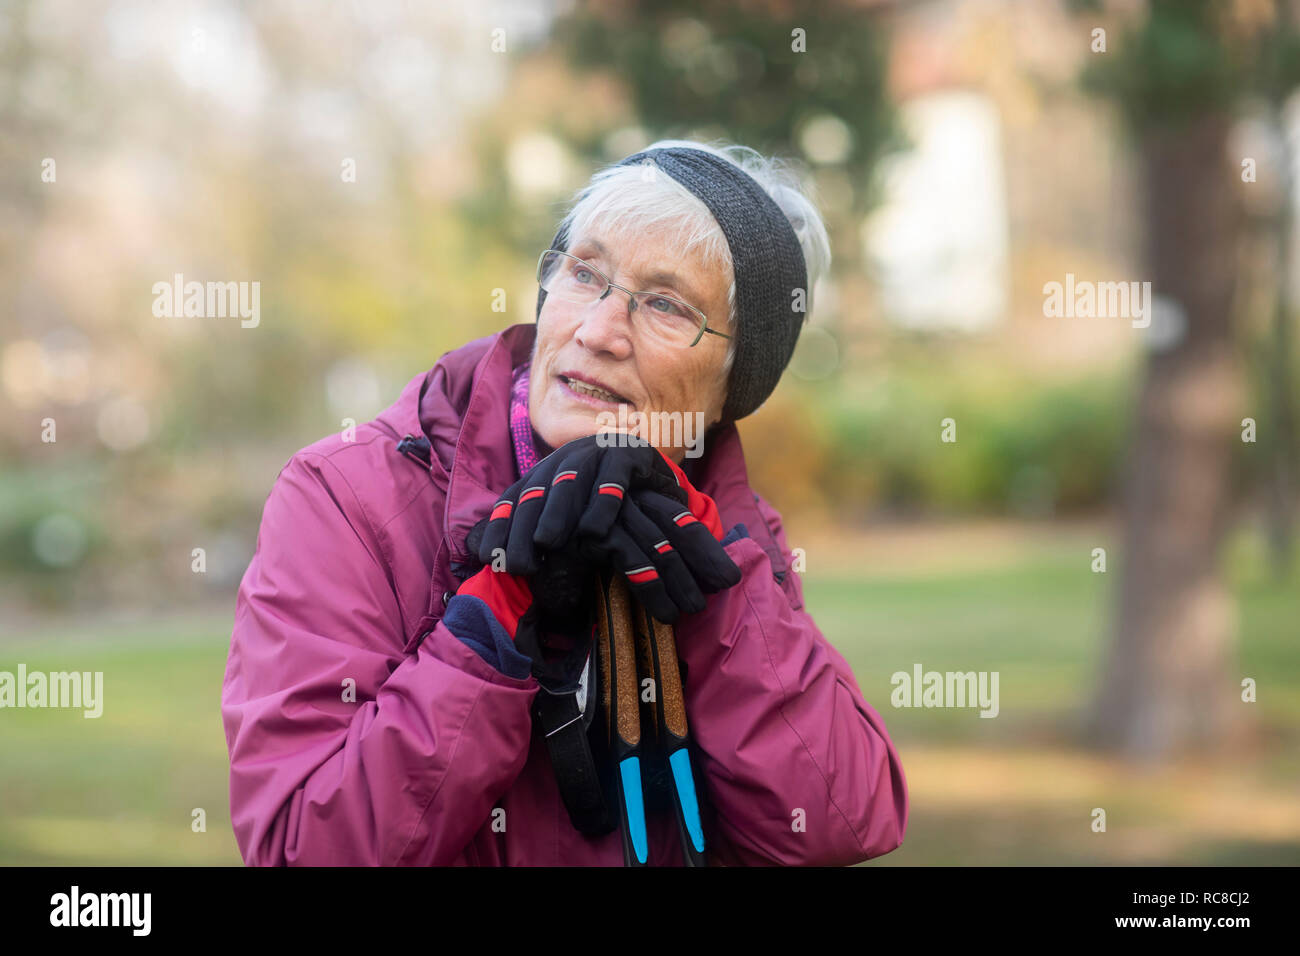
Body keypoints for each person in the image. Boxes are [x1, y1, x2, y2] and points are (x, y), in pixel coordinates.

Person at [221, 139, 909, 865]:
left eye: (667, 306)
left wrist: (708, 589)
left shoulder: (727, 527)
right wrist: (493, 609)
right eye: (585, 273)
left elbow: (840, 822)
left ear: (733, 387)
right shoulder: (347, 497)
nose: (598, 331)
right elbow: (304, 850)